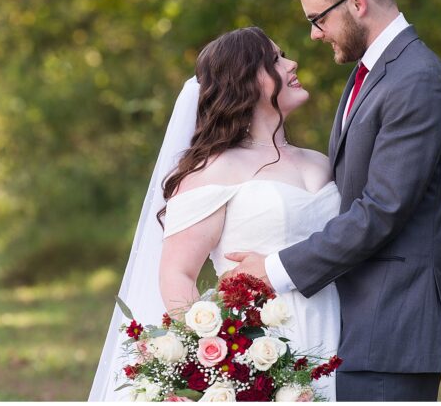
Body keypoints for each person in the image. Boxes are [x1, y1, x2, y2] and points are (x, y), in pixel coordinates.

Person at [224, 0, 441, 401]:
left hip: (394, 325)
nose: (314, 34)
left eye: (318, 19)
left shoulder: (417, 79)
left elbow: (381, 210)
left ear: (356, 3)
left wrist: (273, 270)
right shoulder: (370, 73)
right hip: (358, 323)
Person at [89, 26, 343, 401]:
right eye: (275, 59)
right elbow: (178, 274)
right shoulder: (212, 171)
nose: (292, 63)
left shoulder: (321, 161)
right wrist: (218, 356)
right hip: (268, 348)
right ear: (243, 80)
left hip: (342, 332)